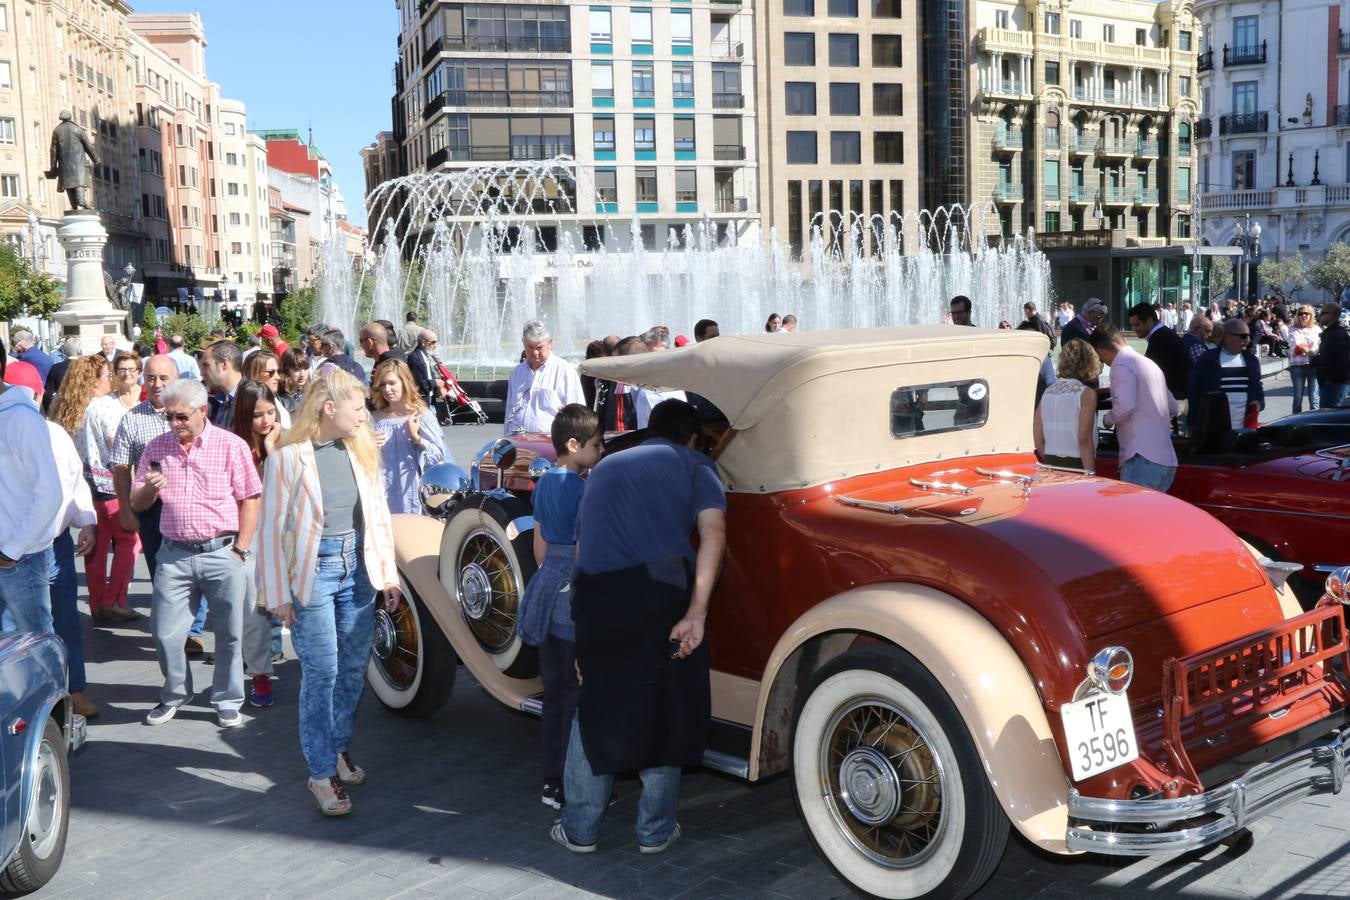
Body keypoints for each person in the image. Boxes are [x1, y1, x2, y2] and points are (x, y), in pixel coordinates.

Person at [553, 399, 727, 856]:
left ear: (650, 431)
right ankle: (654, 831)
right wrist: (697, 613)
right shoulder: (697, 465)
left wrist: (584, 629)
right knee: (663, 707)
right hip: (660, 586)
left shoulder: (606, 467)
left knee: (596, 706)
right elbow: (714, 534)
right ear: (691, 438)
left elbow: (580, 548)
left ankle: (579, 830)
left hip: (596, 592)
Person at [256, 368, 401, 815]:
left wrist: (388, 574)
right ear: (329, 409)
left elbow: (377, 518)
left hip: (357, 567)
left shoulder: (360, 452)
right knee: (322, 671)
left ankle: (337, 748)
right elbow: (270, 529)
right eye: (358, 408)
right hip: (312, 573)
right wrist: (276, 593)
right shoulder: (288, 457)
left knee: (353, 667)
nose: (366, 414)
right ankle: (320, 772)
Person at [132, 378, 261, 729]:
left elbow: (250, 497)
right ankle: (175, 693)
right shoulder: (157, 448)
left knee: (231, 633)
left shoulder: (230, 446)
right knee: (163, 632)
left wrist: (242, 548)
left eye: (181, 417)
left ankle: (228, 698)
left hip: (223, 552)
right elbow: (136, 502)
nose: (174, 424)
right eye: (168, 417)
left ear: (202, 411)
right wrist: (148, 488)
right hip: (174, 554)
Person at [520, 404, 603, 810]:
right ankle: (576, 783)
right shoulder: (584, 489)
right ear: (574, 445)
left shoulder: (545, 484)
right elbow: (585, 551)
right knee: (577, 695)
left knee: (553, 693)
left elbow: (538, 544)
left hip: (545, 588)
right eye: (596, 444)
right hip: (571, 594)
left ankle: (550, 780)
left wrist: (549, 575)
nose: (601, 451)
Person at [5, 361, 99, 718]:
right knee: (17, 633)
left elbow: (73, 484)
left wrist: (87, 521)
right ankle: (28, 703)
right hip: (18, 551)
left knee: (62, 622)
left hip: (50, 547)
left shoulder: (51, 434)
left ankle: (73, 691)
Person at [52, 355, 142, 622]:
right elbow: (119, 445)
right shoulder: (105, 407)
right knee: (129, 541)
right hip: (110, 485)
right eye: (106, 375)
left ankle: (96, 602)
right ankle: (114, 599)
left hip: (83, 487)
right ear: (93, 381)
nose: (110, 379)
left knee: (95, 545)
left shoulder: (66, 408)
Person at [0, 342, 63, 634]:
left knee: (35, 649)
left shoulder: (22, 419)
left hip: (18, 559)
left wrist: (11, 551)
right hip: (13, 555)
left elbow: (50, 493)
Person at [230, 380, 286, 709]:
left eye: (270, 413)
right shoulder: (232, 445)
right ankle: (259, 674)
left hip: (281, 536)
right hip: (244, 538)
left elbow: (289, 484)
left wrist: (272, 448)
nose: (266, 421)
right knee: (252, 613)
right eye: (257, 415)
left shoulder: (281, 442)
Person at [110, 355, 176, 582]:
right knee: (161, 576)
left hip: (189, 506)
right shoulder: (131, 419)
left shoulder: (192, 414)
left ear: (176, 378)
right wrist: (126, 509)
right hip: (152, 508)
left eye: (164, 378)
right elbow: (120, 468)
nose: (157, 384)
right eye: (151, 378)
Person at [1088, 326, 1178, 491]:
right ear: (1123, 340)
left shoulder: (1121, 364)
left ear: (1101, 351)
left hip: (1140, 457)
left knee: (1132, 515)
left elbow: (1125, 407)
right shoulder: (1149, 363)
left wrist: (1107, 419)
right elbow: (1172, 406)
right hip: (1166, 458)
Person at [370, 358, 447, 514]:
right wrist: (367, 444)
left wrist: (415, 436)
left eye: (392, 383)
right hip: (380, 489)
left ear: (404, 382)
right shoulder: (373, 418)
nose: (387, 389)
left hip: (411, 490)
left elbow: (438, 457)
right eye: (383, 384)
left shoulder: (420, 415)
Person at [504, 320, 585, 434]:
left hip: (551, 445)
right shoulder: (516, 373)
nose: (535, 353)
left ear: (550, 343)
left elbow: (578, 415)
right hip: (519, 444)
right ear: (523, 343)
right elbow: (509, 411)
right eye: (530, 347)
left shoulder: (565, 371)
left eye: (539, 347)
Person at [1033, 339, 1100, 473]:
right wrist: (1090, 473)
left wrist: (1048, 459)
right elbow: (1084, 439)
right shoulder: (1086, 394)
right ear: (1089, 363)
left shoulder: (1048, 392)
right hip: (1079, 463)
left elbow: (1037, 433)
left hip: (1051, 462)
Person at [1189, 320, 1264, 433]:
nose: (1247, 340)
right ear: (1227, 336)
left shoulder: (1252, 361)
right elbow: (1194, 392)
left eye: (1249, 336)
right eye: (1243, 336)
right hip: (1213, 430)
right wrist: (1192, 424)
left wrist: (1259, 403)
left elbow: (1258, 388)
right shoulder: (1207, 360)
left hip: (1244, 430)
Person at [1128, 302, 1190, 401]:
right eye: (1132, 325)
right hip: (1176, 397)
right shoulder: (1163, 335)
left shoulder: (1160, 339)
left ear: (1149, 320)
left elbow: (1149, 375)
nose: (1133, 329)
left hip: (1175, 399)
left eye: (1137, 325)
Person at [201, 339, 245, 428]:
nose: (202, 373)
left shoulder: (252, 399)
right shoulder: (218, 401)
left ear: (224, 364)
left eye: (206, 365)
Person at [1314, 301, 1350, 408]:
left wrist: (1325, 373)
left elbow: (1343, 361)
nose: (1319, 316)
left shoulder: (1337, 335)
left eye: (1322, 313)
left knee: (1327, 419)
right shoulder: (1331, 333)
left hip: (1335, 384)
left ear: (1330, 315)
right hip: (1332, 383)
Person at [242, 350, 290, 428]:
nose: (278, 377)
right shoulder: (244, 405)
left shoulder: (278, 399)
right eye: (271, 372)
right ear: (254, 374)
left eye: (278, 372)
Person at [1288, 305, 1322, 413]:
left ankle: (1315, 423)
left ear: (1311, 315)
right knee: (1298, 398)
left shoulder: (1317, 329)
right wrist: (1309, 350)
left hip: (1313, 366)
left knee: (1314, 398)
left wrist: (1307, 349)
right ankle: (1296, 425)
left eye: (1306, 313)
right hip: (1297, 366)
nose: (1303, 315)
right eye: (1301, 313)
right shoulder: (1292, 329)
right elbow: (1296, 345)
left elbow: (1317, 347)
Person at [42, 338, 81, 414]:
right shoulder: (88, 367)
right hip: (82, 408)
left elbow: (48, 394)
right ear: (79, 350)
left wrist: (49, 412)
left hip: (62, 409)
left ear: (65, 351)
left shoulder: (56, 368)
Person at [277, 347, 311, 414]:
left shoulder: (311, 392)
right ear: (286, 370)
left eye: (305, 369)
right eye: (297, 370)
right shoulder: (278, 397)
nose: (302, 374)